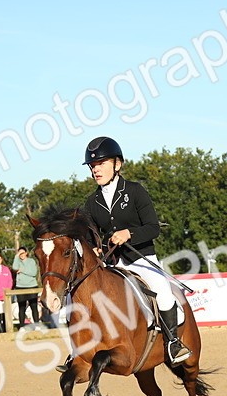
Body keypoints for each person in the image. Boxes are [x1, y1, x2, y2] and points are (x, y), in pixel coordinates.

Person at [80, 136, 191, 364]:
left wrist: (129, 233)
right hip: (113, 264)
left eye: (101, 164)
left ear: (117, 164)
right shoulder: (92, 202)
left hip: (141, 258)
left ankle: (173, 343)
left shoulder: (135, 191)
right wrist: (95, 248)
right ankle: (79, 351)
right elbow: (90, 235)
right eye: (93, 166)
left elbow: (153, 228)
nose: (95, 170)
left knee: (161, 289)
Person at [11, 247, 41, 327]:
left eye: (22, 253)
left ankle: (37, 325)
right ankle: (22, 326)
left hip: (32, 286)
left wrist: (22, 270)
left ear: (26, 253)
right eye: (19, 253)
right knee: (21, 307)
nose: (21, 255)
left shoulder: (31, 261)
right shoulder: (17, 261)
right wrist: (16, 257)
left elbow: (33, 273)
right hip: (20, 287)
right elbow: (14, 268)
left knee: (34, 307)